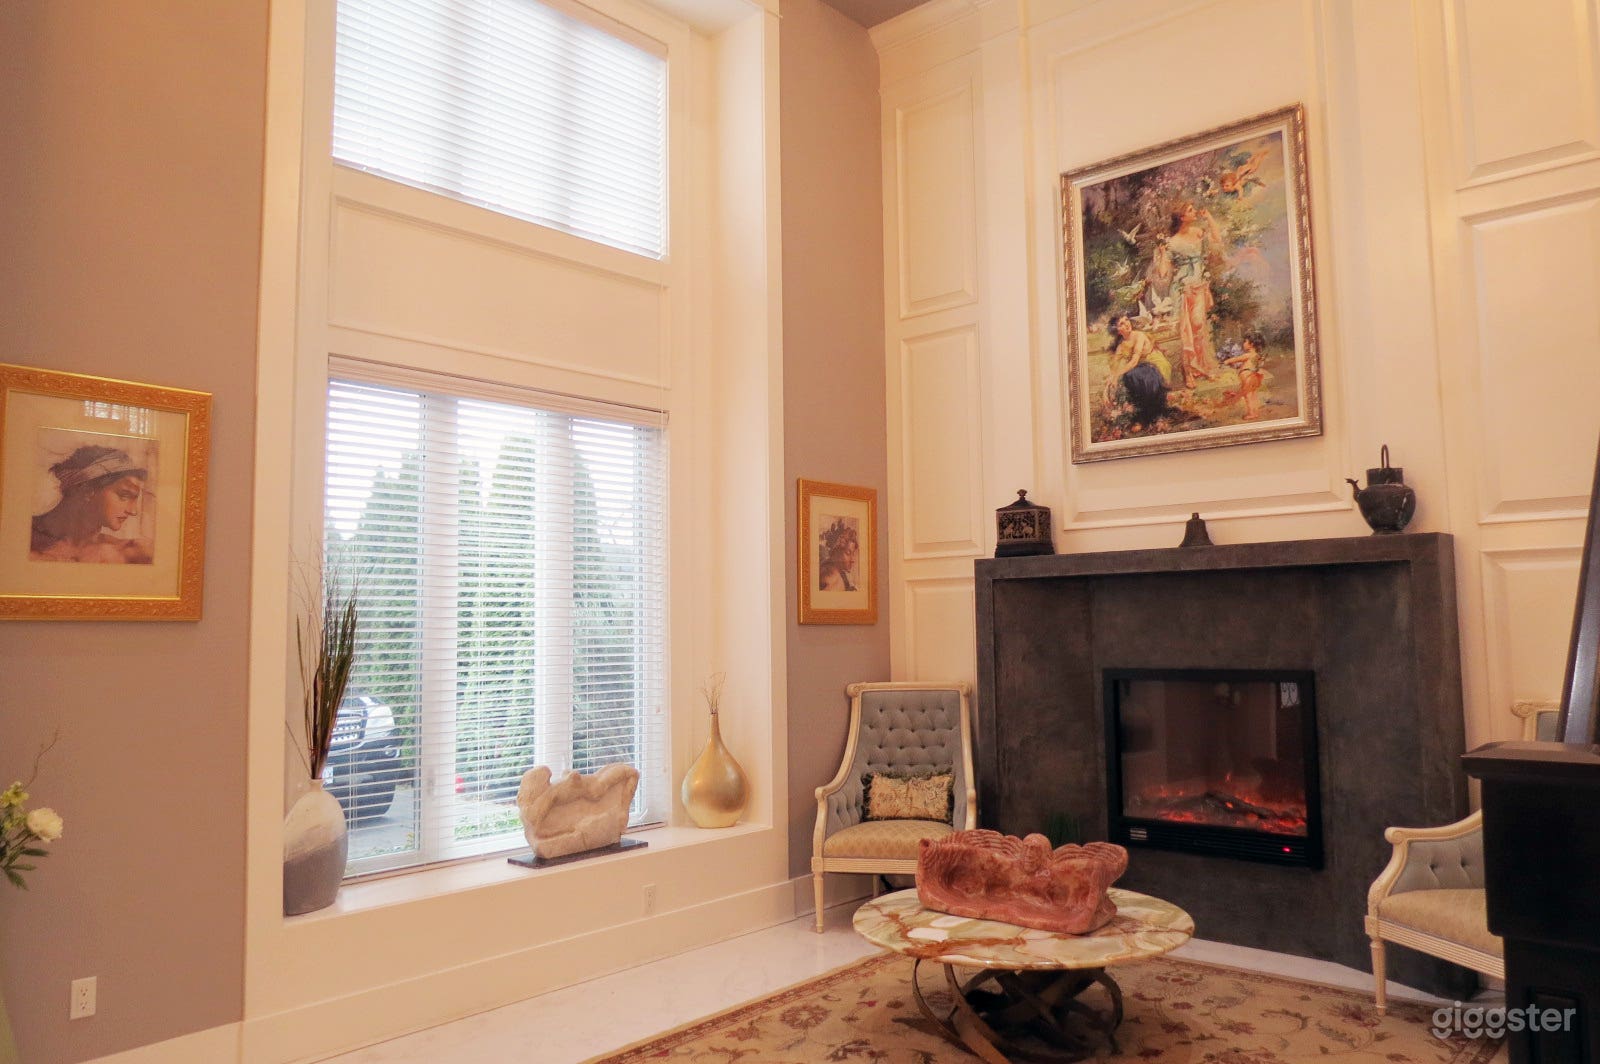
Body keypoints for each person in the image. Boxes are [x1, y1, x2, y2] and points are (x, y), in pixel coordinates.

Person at [30, 445, 154, 563]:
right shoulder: (22, 537)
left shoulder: (131, 552)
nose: (133, 511)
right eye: (124, 495)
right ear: (87, 490)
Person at [1167, 202, 1227, 388]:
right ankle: (1188, 373)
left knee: (1199, 326)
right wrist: (1162, 254)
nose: (1194, 212)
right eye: (1190, 210)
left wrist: (1209, 217)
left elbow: (1217, 238)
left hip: (1199, 286)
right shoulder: (1173, 242)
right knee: (1186, 331)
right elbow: (1164, 271)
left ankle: (1202, 367)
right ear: (1182, 217)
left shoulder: (1198, 231)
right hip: (1183, 288)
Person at [1103, 314, 1172, 424]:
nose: (1126, 324)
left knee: (1132, 375)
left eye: (1126, 320)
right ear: (1117, 330)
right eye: (1121, 323)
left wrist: (1117, 375)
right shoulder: (1121, 346)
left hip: (1155, 364)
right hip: (1140, 369)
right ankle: (1143, 413)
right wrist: (1106, 389)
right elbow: (1114, 369)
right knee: (1130, 375)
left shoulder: (1139, 336)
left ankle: (1150, 414)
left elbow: (1134, 361)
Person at [1222, 333, 1268, 420]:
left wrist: (1227, 361)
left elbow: (1236, 359)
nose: (1243, 343)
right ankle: (1255, 411)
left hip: (1248, 378)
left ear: (1251, 345)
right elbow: (1256, 365)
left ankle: (1251, 413)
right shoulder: (1257, 355)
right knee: (1252, 395)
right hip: (1254, 377)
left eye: (1245, 342)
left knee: (1248, 396)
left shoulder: (1248, 355)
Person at [817, 518, 859, 592]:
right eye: (848, 553)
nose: (852, 560)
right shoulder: (828, 575)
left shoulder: (841, 573)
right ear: (837, 551)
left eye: (853, 554)